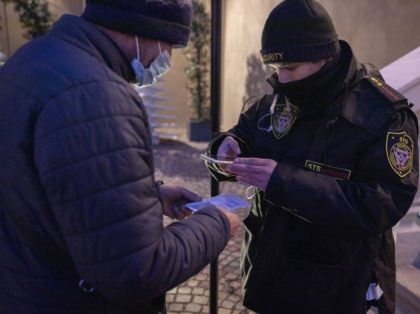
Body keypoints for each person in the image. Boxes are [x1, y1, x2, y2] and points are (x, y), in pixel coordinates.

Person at [0, 1, 241, 313]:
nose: (167, 57)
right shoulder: (99, 95)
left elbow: (52, 184)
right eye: (171, 44)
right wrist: (217, 223)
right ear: (147, 30)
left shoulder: (31, 58)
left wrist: (149, 198)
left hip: (26, 288)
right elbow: (136, 271)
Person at [205, 0, 418, 313]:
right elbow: (240, 136)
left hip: (339, 290)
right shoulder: (276, 100)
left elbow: (380, 205)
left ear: (325, 56)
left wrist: (282, 181)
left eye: (291, 68)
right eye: (276, 69)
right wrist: (225, 147)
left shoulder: (383, 115)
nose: (283, 80)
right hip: (271, 278)